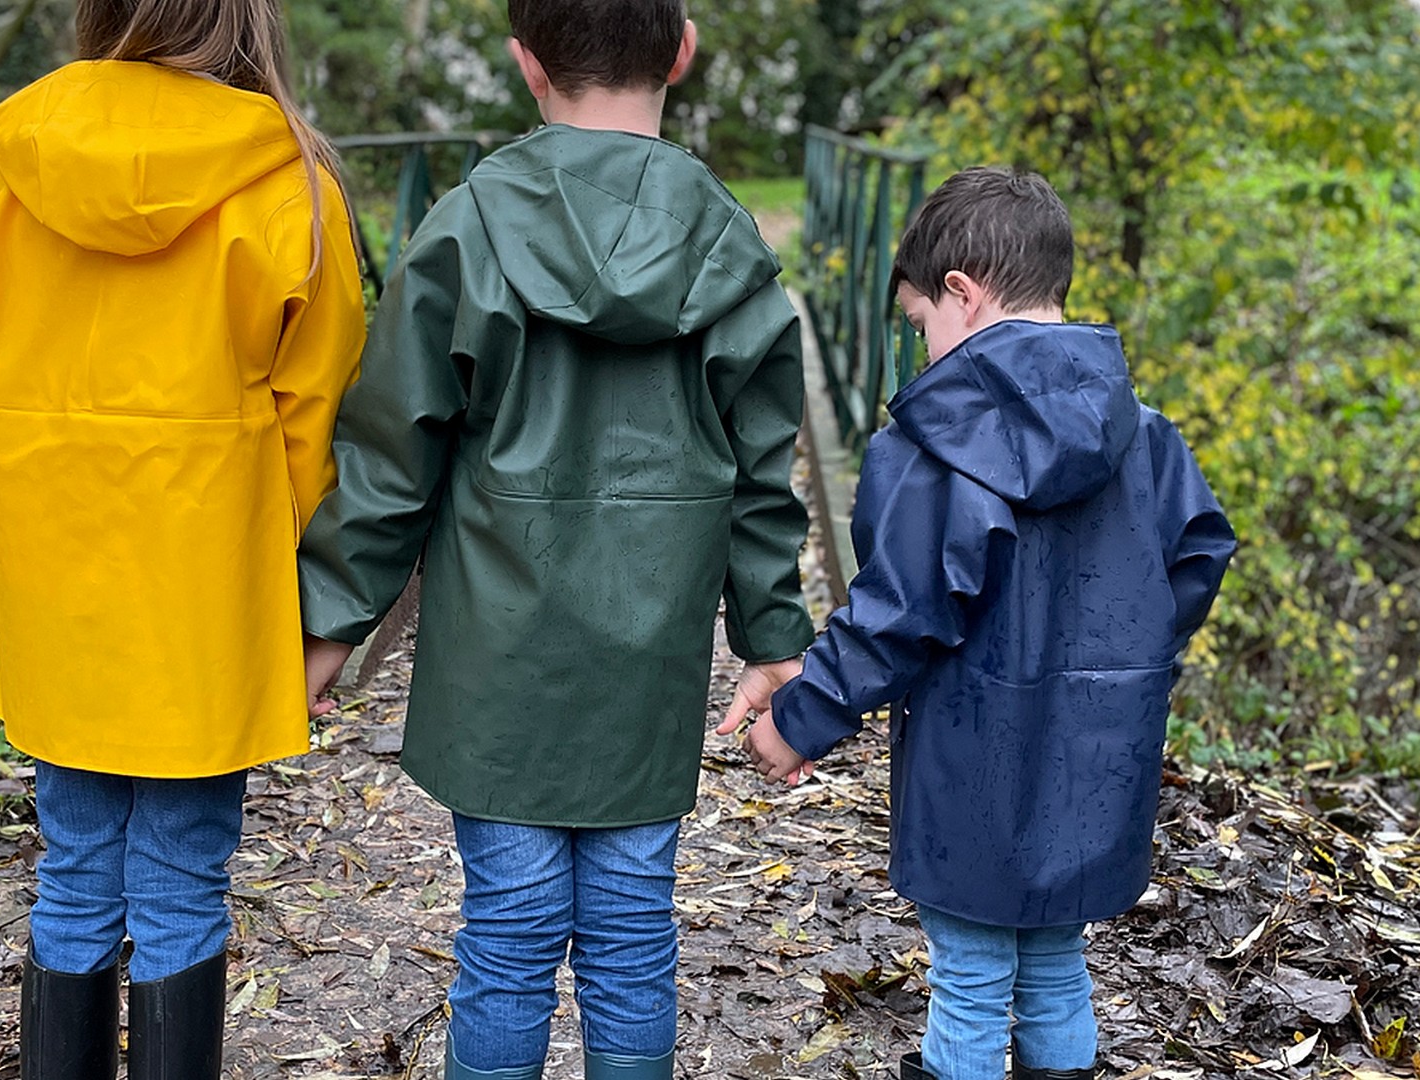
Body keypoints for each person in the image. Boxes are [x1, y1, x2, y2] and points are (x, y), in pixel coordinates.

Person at [294, 0, 815, 1075]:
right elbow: (766, 475)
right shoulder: (727, 241)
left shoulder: (467, 225)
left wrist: (330, 622)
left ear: (524, 63)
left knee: (506, 945)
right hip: (647, 660)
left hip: (500, 661)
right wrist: (773, 639)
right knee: (631, 942)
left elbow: (394, 455)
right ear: (682, 52)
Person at [725, 166, 1237, 1080]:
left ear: (961, 292)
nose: (920, 349)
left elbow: (899, 610)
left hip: (973, 757)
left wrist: (801, 720)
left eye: (920, 324)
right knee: (1055, 964)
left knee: (967, 977)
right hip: (1097, 753)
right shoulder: (1144, 433)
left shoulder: (933, 448)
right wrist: (1124, 657)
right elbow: (1198, 555)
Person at [0, 0, 365, 1073]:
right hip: (202, 603)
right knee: (182, 882)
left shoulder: (18, 169)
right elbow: (316, 421)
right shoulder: (290, 185)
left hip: (57, 590)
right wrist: (309, 610)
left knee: (73, 868)